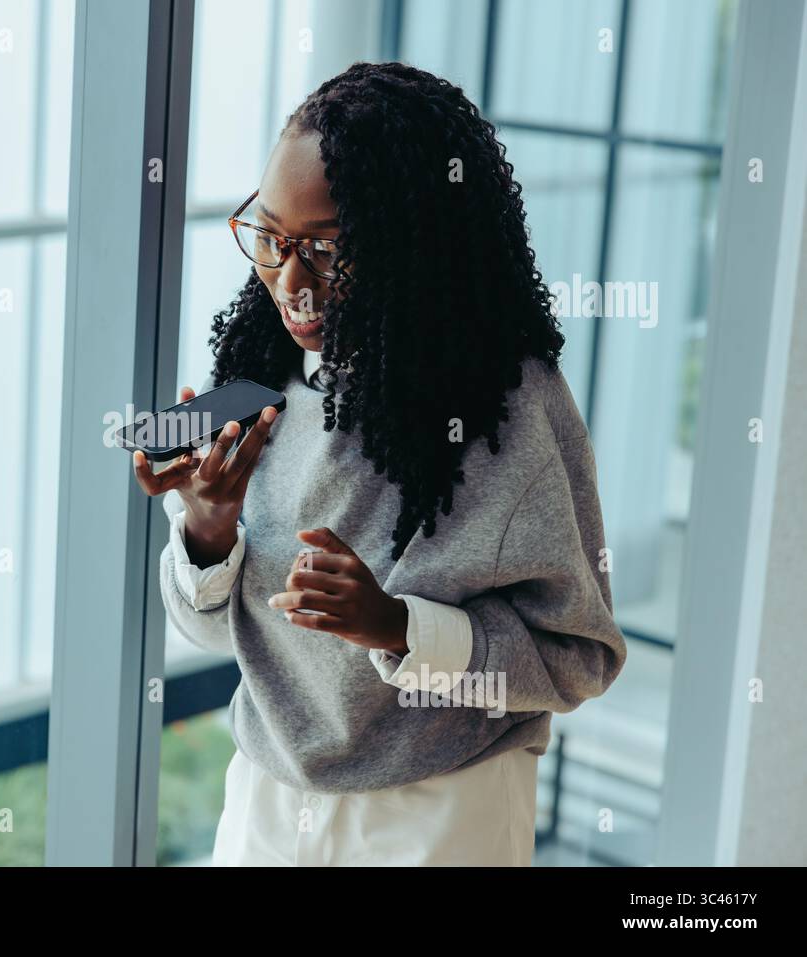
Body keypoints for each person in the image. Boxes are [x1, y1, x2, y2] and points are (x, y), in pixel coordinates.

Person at [131, 62, 627, 866]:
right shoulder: (258, 378)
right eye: (272, 237)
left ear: (417, 241)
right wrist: (207, 527)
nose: (290, 282)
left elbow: (578, 660)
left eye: (329, 249)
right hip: (267, 803)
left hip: (438, 814)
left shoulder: (511, 408)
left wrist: (400, 628)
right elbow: (207, 630)